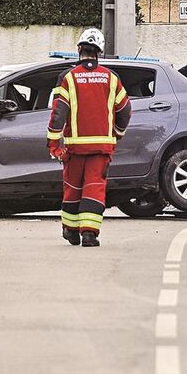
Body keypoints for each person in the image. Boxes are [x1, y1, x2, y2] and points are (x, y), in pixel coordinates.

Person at [47, 28, 132, 247]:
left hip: (74, 149)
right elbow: (125, 110)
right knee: (94, 188)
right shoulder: (112, 78)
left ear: (79, 50)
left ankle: (71, 231)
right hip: (101, 148)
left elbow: (58, 113)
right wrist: (117, 133)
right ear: (100, 53)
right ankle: (89, 234)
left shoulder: (67, 78)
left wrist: (54, 143)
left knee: (73, 188)